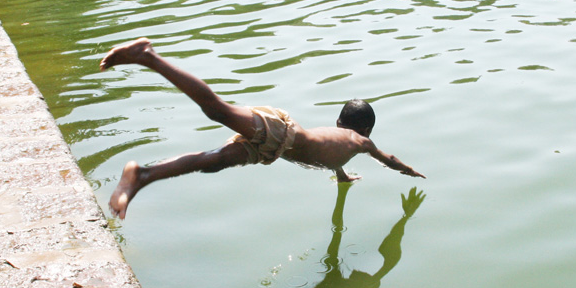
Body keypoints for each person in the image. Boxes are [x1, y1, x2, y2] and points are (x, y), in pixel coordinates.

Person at [99, 38, 425, 218]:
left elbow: (334, 157)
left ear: (340, 122)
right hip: (280, 132)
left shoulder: (343, 143)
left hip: (273, 148)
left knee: (212, 162)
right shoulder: (360, 143)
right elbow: (389, 157)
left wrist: (343, 179)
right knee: (216, 109)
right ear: (365, 130)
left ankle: (142, 176)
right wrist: (408, 171)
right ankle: (148, 56)